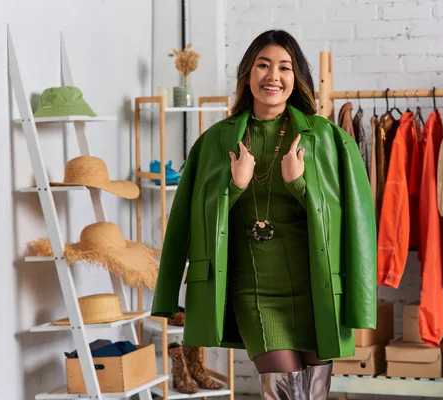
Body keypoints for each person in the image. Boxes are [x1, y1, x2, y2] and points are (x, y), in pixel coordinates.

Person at [151, 29, 376, 399]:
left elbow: (356, 224)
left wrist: (299, 185)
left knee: (314, 392)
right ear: (247, 74)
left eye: (284, 67)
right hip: (256, 292)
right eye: (263, 65)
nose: (273, 76)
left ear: (296, 77)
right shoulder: (214, 142)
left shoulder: (328, 138)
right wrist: (234, 187)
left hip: (316, 290)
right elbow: (185, 223)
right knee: (283, 390)